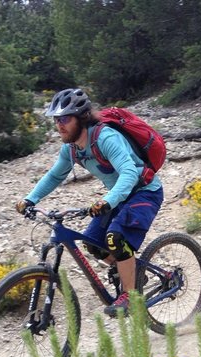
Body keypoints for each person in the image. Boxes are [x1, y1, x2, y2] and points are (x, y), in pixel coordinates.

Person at [16, 88, 163, 316]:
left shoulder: (106, 138)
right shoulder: (71, 149)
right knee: (93, 243)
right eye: (56, 120)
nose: (59, 125)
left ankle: (130, 296)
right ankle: (131, 274)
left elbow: (128, 174)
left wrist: (107, 201)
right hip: (117, 196)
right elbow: (55, 175)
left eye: (65, 118)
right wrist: (30, 199)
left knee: (115, 238)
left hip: (144, 192)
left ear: (81, 118)